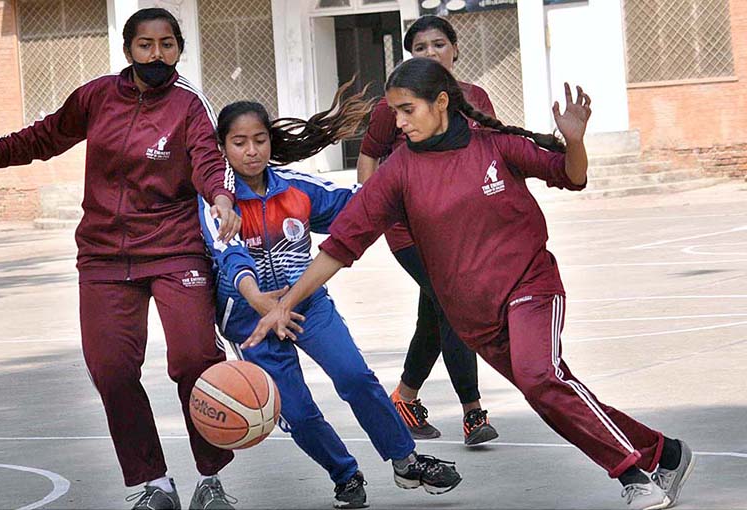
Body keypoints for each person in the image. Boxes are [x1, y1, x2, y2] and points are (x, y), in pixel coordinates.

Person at [245, 58, 696, 510]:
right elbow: (340, 247)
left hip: (530, 288)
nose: (398, 123)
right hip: (474, 319)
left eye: (407, 110)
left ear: (441, 103)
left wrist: (575, 143)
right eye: (394, 112)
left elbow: (570, 176)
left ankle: (633, 476)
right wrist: (287, 303)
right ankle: (666, 454)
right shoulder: (398, 172)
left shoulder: (494, 146)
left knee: (542, 379)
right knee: (553, 396)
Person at [0, 8, 242, 510]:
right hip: (105, 256)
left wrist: (220, 197)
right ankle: (154, 483)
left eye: (167, 44)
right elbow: (46, 134)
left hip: (175, 248)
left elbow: (209, 160)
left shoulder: (189, 104)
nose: (157, 54)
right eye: (146, 45)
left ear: (179, 49)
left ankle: (210, 479)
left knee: (195, 359)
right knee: (110, 369)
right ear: (128, 49)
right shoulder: (97, 96)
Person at [199, 88, 462, 509]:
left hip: (308, 306)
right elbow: (230, 259)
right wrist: (265, 306)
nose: (251, 151)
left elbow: (358, 205)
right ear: (222, 147)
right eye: (239, 142)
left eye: (260, 140)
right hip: (252, 322)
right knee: (297, 412)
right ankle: (344, 474)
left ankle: (405, 460)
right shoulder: (217, 204)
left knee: (355, 376)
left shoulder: (297, 188)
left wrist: (408, 179)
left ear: (271, 140)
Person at [357, 14, 498, 444]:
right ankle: (473, 412)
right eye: (420, 48)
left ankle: (404, 397)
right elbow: (368, 162)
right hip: (410, 231)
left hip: (462, 230)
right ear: (410, 55)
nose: (431, 53)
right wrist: (383, 205)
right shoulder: (393, 105)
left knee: (434, 316)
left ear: (455, 50)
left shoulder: (475, 98)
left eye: (439, 44)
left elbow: (493, 156)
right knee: (453, 307)